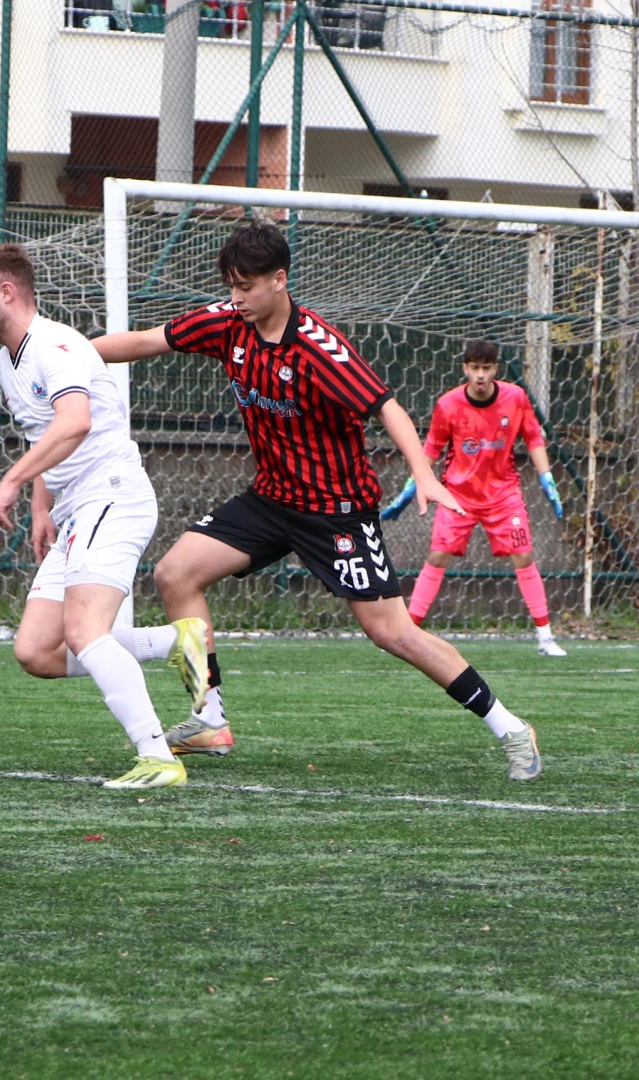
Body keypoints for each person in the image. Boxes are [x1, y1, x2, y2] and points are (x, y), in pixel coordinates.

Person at [92, 222, 543, 781]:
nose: (236, 298)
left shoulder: (318, 347)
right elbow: (145, 341)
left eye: (246, 287)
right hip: (271, 498)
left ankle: (510, 726)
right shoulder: (228, 322)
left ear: (279, 280)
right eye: (231, 286)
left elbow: (387, 406)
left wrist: (423, 474)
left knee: (392, 632)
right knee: (175, 574)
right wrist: (66, 358)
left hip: (336, 511)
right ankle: (209, 719)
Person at [0, 242, 206, 790]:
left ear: (7, 292)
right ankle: (173, 642)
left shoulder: (57, 345)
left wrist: (10, 482)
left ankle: (159, 758)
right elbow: (45, 434)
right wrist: (40, 506)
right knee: (35, 651)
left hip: (112, 496)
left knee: (83, 629)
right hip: (76, 510)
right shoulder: (4, 362)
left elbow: (74, 422)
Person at [381, 339, 568, 656]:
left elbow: (534, 438)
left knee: (524, 556)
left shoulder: (516, 398)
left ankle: (545, 638)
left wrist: (546, 477)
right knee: (437, 556)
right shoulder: (448, 405)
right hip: (458, 497)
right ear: (465, 368)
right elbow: (431, 449)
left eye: (487, 368)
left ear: (495, 369)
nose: (481, 375)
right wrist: (411, 486)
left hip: (504, 495)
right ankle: (407, 635)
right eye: (475, 368)